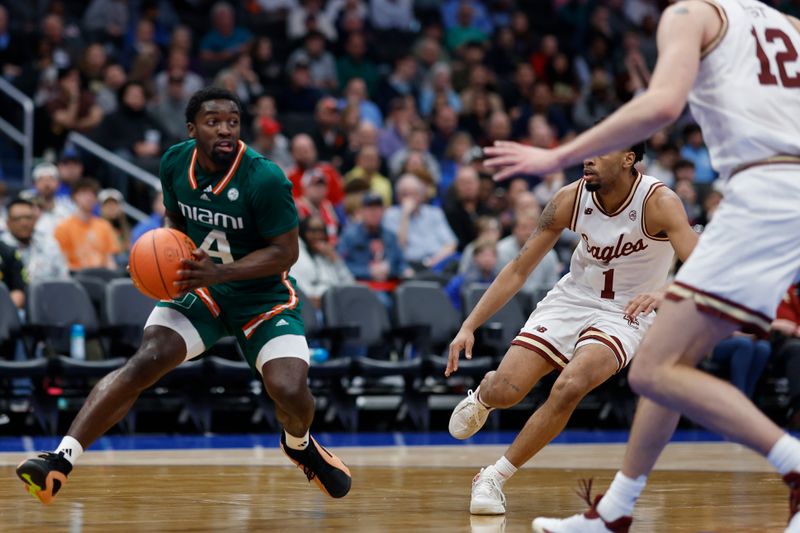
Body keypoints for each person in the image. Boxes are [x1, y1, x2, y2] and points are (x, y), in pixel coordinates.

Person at [479, 2, 800, 531]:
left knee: (652, 371)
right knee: (667, 366)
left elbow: (661, 105)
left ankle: (792, 461)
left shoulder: (692, 15)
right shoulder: (785, 24)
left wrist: (554, 155)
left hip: (763, 189)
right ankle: (615, 511)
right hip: (781, 191)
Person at [16, 87, 352, 504]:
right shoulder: (175, 162)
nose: (225, 130)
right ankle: (59, 461)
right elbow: (175, 220)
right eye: (214, 122)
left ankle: (298, 446)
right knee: (145, 361)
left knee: (290, 390)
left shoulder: (265, 177)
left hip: (263, 297)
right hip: (200, 286)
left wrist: (222, 271)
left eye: (232, 122)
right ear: (192, 129)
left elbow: (286, 252)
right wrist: (155, 256)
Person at [445, 143, 697, 516]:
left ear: (628, 158)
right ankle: (485, 393)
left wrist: (664, 291)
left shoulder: (659, 202)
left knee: (570, 385)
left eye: (601, 152)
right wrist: (469, 325)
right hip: (573, 297)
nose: (588, 158)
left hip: (626, 309)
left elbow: (702, 265)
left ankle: (493, 477)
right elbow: (518, 268)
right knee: (507, 391)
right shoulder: (569, 198)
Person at [53, 179, 120, 272]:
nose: (89, 197)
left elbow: (110, 259)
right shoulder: (63, 227)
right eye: (84, 193)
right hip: (74, 276)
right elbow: (61, 260)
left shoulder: (104, 226)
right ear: (74, 196)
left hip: (101, 276)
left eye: (93, 194)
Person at [293, 215, 354, 309]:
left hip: (337, 304)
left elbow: (349, 282)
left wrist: (335, 260)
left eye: (322, 231)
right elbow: (297, 285)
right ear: (303, 232)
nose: (318, 235)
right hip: (309, 307)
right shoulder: (297, 255)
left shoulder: (328, 253)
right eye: (313, 230)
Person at [1, 197, 69, 283]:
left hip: (48, 293)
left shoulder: (49, 243)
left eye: (28, 217)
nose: (24, 223)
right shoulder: (2, 248)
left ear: (35, 220)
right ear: (8, 223)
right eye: (18, 218)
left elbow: (63, 277)